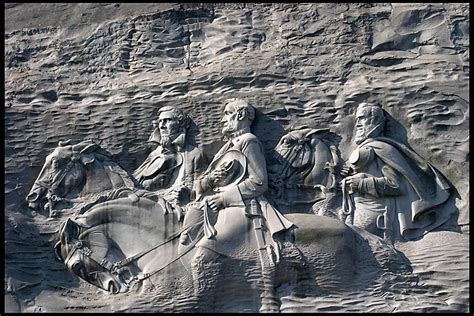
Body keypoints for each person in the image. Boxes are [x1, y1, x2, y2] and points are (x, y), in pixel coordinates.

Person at [179, 98, 295, 293]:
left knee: (204, 256)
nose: (223, 119)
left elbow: (259, 182)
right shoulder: (227, 147)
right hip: (214, 205)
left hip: (243, 207)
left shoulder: (249, 141)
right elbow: (207, 181)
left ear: (240, 115)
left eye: (227, 113)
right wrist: (207, 181)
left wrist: (224, 198)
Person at [341, 102, 456, 241]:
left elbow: (396, 185)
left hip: (376, 214)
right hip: (355, 208)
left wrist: (361, 184)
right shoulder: (366, 148)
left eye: (362, 118)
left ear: (375, 121)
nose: (358, 124)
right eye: (357, 120)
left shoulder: (382, 148)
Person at [133, 106, 207, 211]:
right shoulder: (155, 154)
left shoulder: (195, 154)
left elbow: (202, 189)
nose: (162, 126)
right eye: (160, 121)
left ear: (180, 123)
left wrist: (188, 195)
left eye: (167, 121)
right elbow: (135, 184)